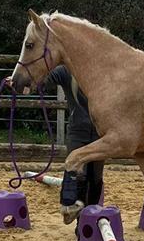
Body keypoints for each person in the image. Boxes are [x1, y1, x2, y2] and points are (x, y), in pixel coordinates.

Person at [44, 64, 104, 222]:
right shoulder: (65, 71)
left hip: (100, 131)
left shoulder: (102, 68)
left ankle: (91, 215)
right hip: (78, 131)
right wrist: (20, 81)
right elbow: (43, 79)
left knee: (96, 176)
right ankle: (78, 217)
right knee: (79, 173)